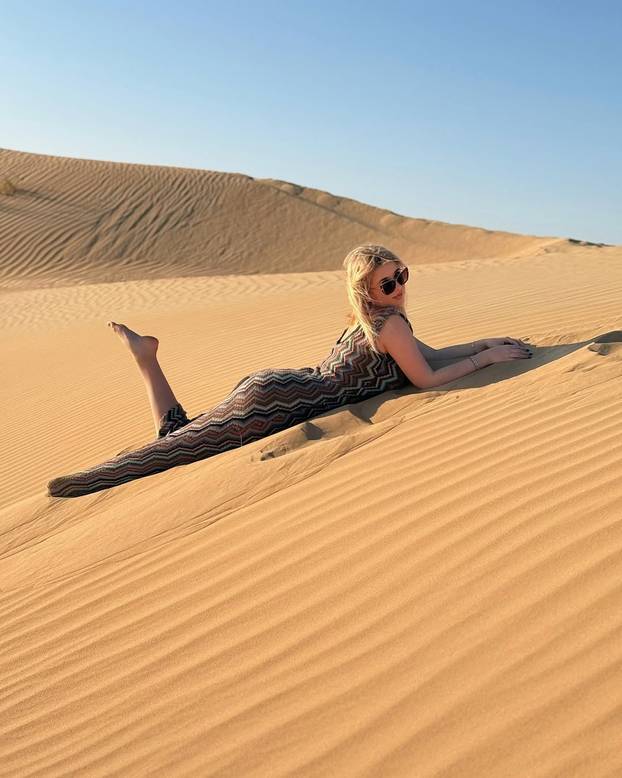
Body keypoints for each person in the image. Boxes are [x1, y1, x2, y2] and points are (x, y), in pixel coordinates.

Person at [47, 244, 532, 498]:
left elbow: (426, 357)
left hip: (278, 390)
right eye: (388, 282)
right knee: (169, 455)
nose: (399, 286)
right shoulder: (391, 325)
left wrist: (485, 342)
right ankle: (82, 482)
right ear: (367, 291)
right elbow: (426, 378)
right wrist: (484, 360)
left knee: (180, 439)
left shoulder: (381, 323)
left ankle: (147, 359)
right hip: (273, 407)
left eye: (402, 275)